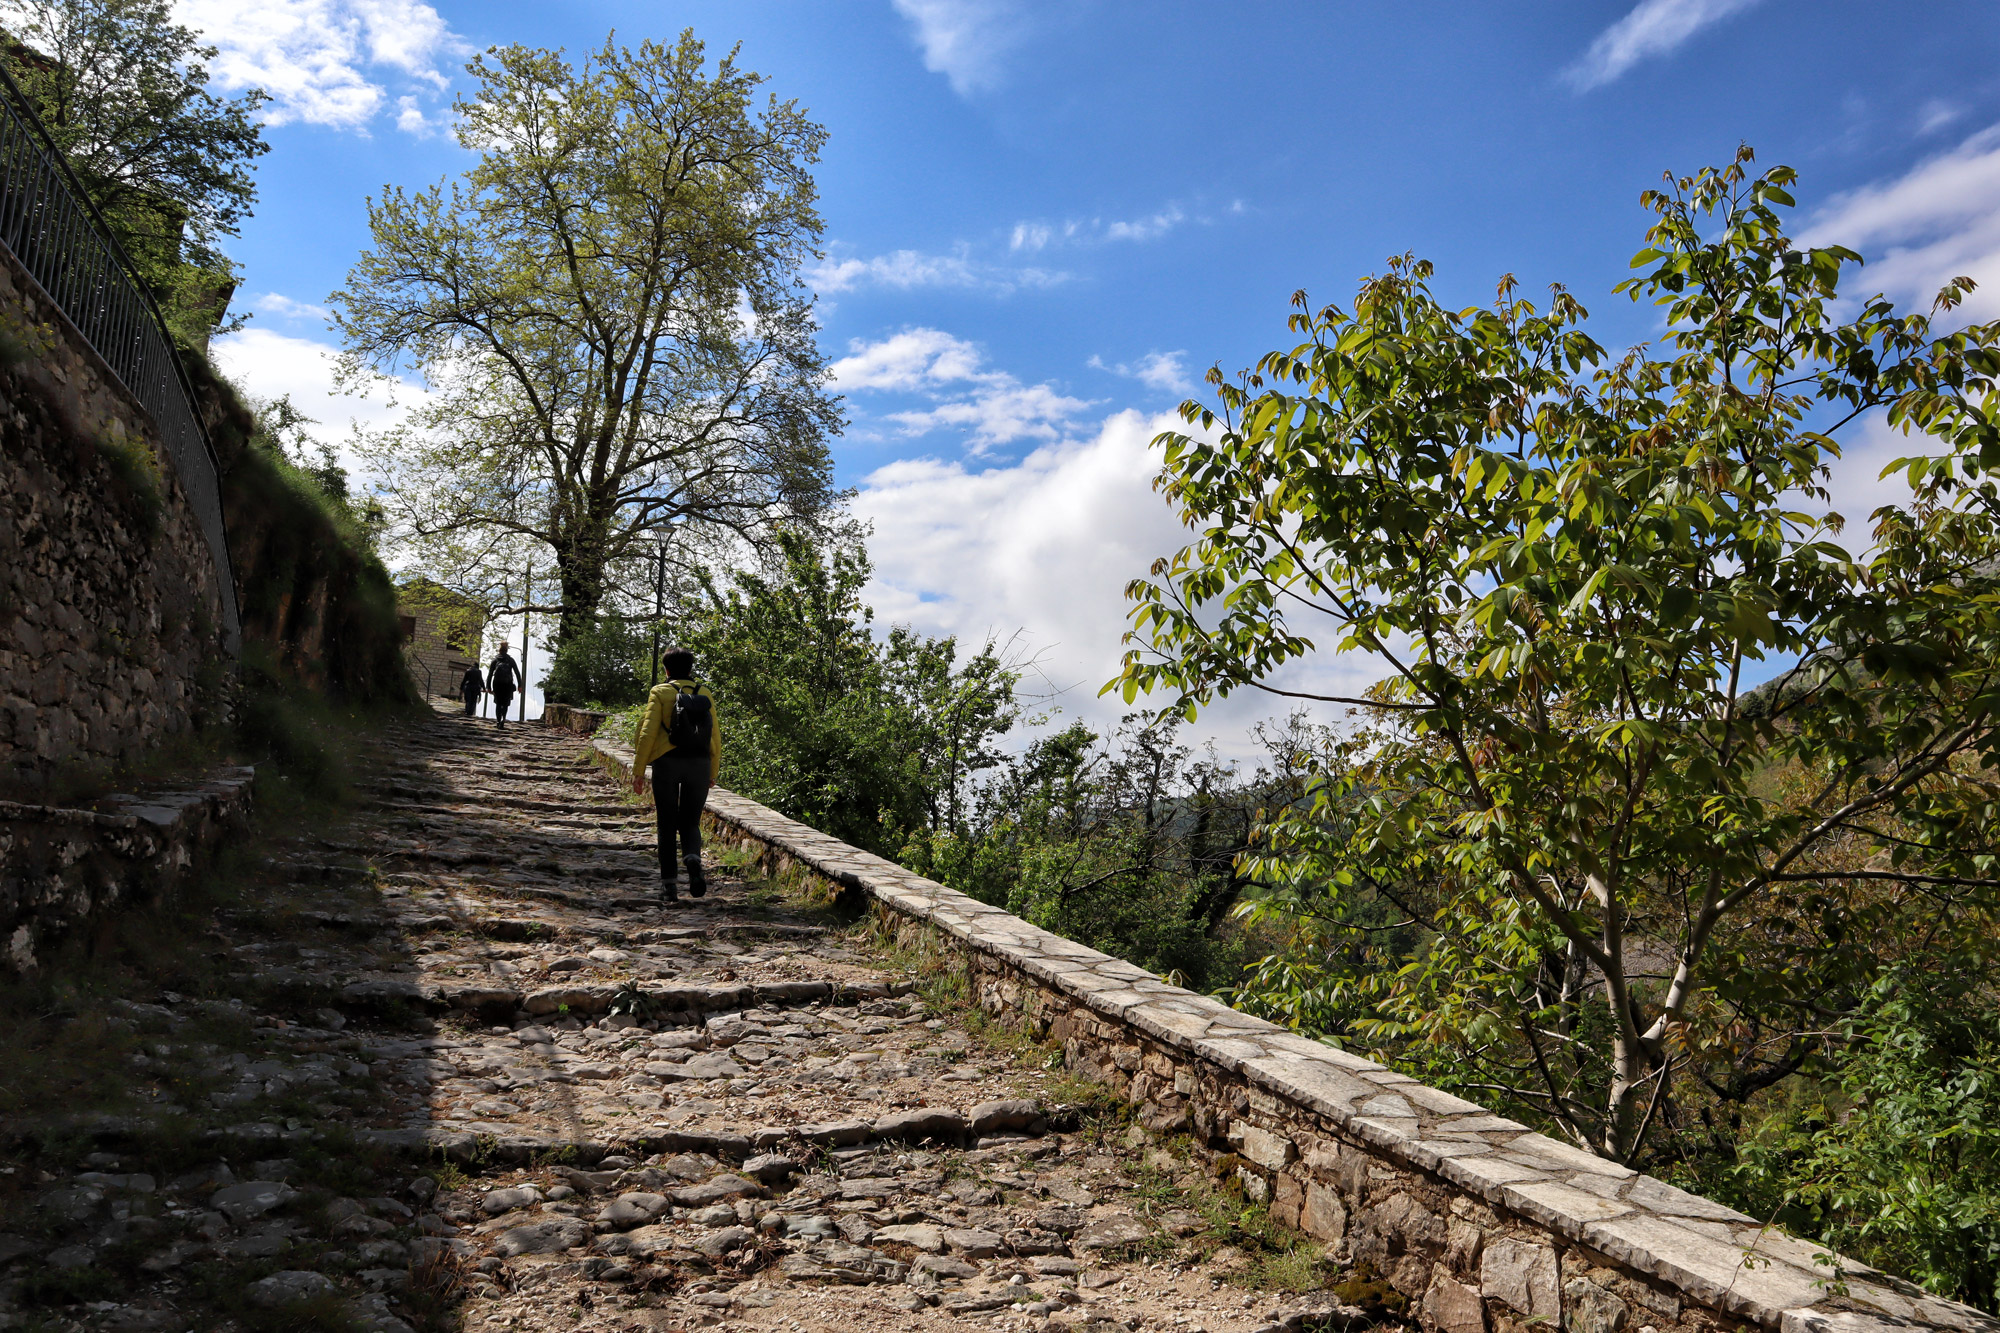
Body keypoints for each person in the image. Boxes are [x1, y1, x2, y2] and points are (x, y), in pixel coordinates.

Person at [631, 648, 721, 902]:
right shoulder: (704, 693)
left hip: (667, 763)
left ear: (667, 670)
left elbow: (648, 732)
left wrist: (639, 771)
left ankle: (669, 885)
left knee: (667, 823)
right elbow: (715, 736)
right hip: (699, 763)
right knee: (691, 822)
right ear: (690, 669)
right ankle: (692, 859)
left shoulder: (660, 692)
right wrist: (712, 771)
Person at [488, 645, 519, 729]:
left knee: (498, 703)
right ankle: (503, 719)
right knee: (505, 703)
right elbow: (517, 673)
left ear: (499, 650)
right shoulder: (511, 660)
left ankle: (498, 721)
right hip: (507, 684)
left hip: (497, 684)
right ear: (506, 651)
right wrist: (520, 685)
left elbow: (490, 674)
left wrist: (488, 687)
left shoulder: (495, 660)